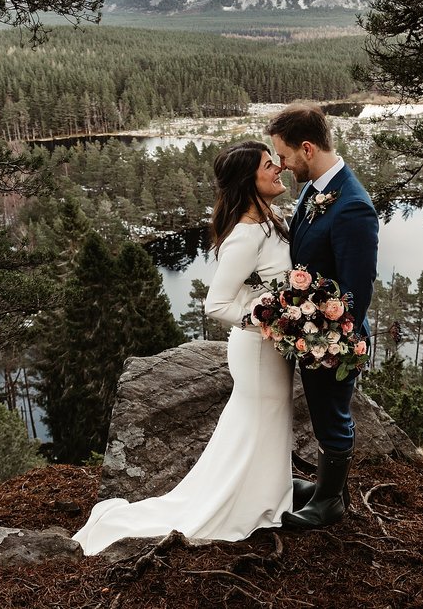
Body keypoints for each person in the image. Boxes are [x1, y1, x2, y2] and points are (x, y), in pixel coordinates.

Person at [72, 140, 295, 555]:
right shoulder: (246, 234)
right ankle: (242, 507)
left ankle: (266, 500)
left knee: (262, 424)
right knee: (260, 421)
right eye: (269, 165)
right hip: (260, 350)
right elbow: (217, 304)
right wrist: (273, 322)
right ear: (250, 179)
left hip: (270, 347)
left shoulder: (271, 218)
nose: (278, 168)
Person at [266, 103, 380, 529]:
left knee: (332, 415)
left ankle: (331, 501)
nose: (281, 164)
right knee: (319, 409)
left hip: (333, 338)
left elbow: (356, 292)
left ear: (308, 148)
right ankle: (324, 487)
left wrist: (318, 333)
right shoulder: (316, 189)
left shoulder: (352, 205)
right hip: (311, 330)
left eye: (284, 154)